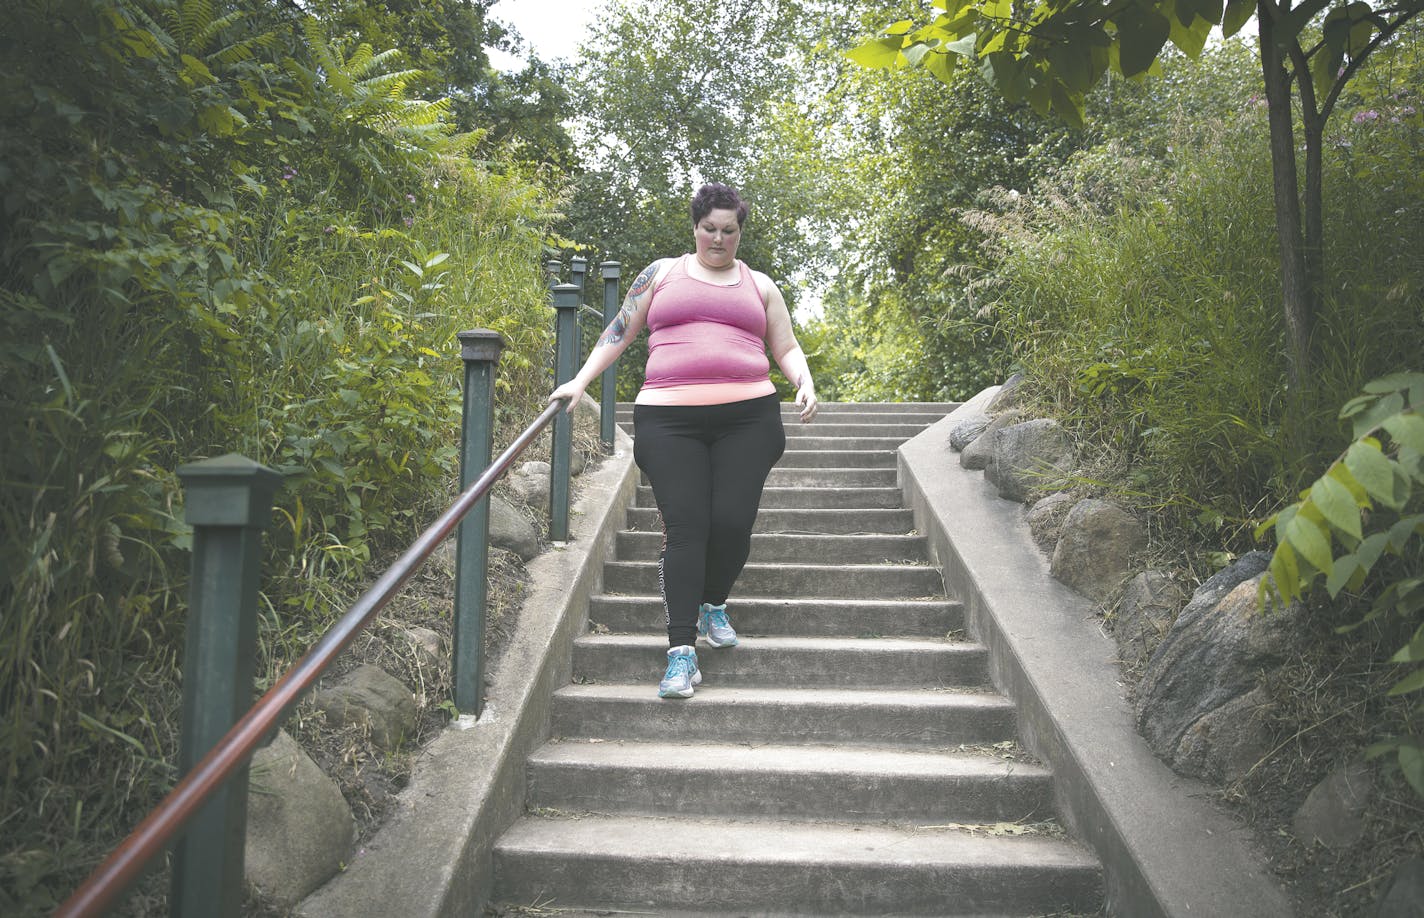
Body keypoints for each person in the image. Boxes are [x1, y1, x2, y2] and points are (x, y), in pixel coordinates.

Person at [549, 182, 818, 699]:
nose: (718, 240)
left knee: (733, 524)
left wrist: (803, 381)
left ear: (741, 232)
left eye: (729, 231)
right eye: (709, 229)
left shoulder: (759, 285)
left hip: (748, 418)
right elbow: (619, 331)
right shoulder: (661, 274)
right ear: (695, 227)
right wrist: (579, 381)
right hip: (669, 419)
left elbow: (784, 345)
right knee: (688, 526)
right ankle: (680, 654)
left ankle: (713, 602)